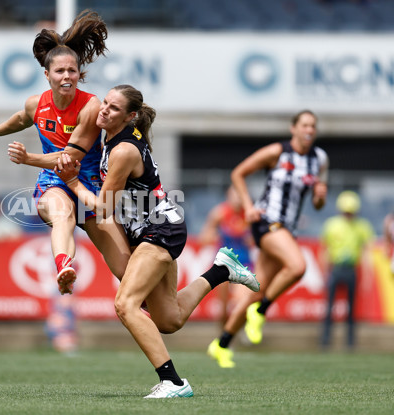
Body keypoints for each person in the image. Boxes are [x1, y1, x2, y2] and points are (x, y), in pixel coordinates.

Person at [55, 84, 260, 398]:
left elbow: (104, 207)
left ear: (130, 116)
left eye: (113, 108)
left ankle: (175, 382)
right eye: (104, 103)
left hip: (161, 229)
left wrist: (72, 183)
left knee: (125, 304)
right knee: (169, 319)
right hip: (150, 230)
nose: (104, 110)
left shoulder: (123, 149)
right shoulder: (109, 136)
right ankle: (221, 270)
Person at [0, 10, 130, 294]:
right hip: (54, 183)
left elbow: (69, 159)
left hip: (90, 188)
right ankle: (64, 267)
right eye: (60, 71)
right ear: (47, 75)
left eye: (72, 70)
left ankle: (147, 305)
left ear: (79, 74)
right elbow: (20, 120)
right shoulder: (37, 104)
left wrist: (28, 159)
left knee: (126, 269)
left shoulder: (91, 106)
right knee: (63, 216)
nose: (67, 76)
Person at [207, 109, 329, 368]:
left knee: (255, 290)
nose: (309, 130)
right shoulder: (278, 152)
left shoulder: (319, 159)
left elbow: (318, 204)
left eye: (313, 126)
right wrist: (249, 206)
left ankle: (221, 344)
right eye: (305, 125)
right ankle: (261, 312)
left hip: (288, 228)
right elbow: (238, 173)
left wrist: (320, 196)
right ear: (293, 128)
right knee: (297, 266)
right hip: (267, 222)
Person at [320, 190, 374, 350]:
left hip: (351, 270)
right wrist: (325, 272)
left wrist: (367, 276)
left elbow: (366, 253)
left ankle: (350, 342)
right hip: (335, 269)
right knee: (329, 307)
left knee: (352, 308)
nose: (348, 215)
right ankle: (325, 341)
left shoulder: (363, 226)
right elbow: (325, 250)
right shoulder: (331, 224)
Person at [198, 185, 255, 326]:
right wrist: (214, 236)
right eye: (234, 195)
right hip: (223, 264)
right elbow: (203, 238)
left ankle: (237, 329)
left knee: (241, 301)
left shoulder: (250, 215)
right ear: (228, 196)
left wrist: (252, 239)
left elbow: (258, 240)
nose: (237, 199)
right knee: (223, 309)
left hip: (244, 263)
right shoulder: (219, 213)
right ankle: (223, 331)